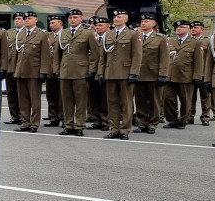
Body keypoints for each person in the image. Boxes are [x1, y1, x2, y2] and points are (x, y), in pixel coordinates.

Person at [53, 8, 101, 136]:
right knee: (66, 100)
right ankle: (68, 125)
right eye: (70, 18)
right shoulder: (63, 34)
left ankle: (79, 125)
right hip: (65, 71)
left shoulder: (88, 33)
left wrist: (92, 70)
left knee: (81, 101)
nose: (72, 20)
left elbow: (95, 55)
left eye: (75, 17)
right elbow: (57, 55)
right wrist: (57, 69)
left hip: (81, 71)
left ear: (81, 18)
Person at [100, 8, 141, 139]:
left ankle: (125, 130)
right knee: (112, 102)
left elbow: (137, 56)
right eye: (115, 17)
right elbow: (103, 56)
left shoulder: (133, 34)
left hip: (125, 73)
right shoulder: (108, 34)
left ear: (126, 19)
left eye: (119, 17)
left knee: (126, 103)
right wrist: (101, 72)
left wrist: (134, 73)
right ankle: (114, 128)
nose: (116, 19)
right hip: (110, 72)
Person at [13, 10, 50, 132]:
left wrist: (43, 72)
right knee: (23, 99)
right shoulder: (20, 34)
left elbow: (45, 55)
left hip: (34, 71)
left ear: (36, 20)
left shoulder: (41, 35)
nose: (27, 20)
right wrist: (15, 70)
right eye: (25, 18)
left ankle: (34, 123)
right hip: (21, 70)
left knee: (34, 100)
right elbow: (17, 55)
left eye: (29, 18)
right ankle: (25, 122)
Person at [163, 19, 204, 130]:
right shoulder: (170, 41)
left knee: (185, 100)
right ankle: (172, 120)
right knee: (168, 98)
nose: (178, 29)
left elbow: (199, 62)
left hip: (185, 76)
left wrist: (197, 77)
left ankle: (183, 120)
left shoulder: (195, 42)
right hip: (170, 75)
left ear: (188, 29)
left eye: (181, 27)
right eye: (177, 27)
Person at [133, 13, 170, 134]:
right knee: (140, 101)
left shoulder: (160, 38)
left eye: (147, 21)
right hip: (138, 74)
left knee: (154, 101)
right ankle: (142, 123)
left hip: (154, 74)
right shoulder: (136, 36)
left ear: (153, 24)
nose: (143, 23)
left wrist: (163, 74)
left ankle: (153, 124)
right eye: (142, 21)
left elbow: (165, 58)